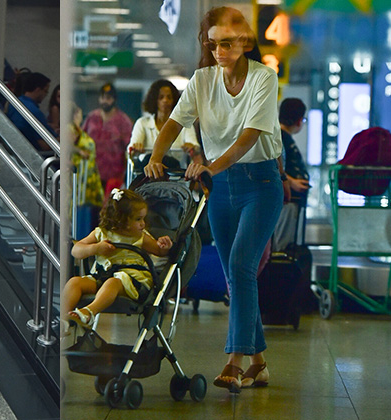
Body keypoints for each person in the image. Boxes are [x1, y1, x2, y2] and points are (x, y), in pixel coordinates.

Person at [144, 6, 290, 393]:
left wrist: (211, 165)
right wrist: (156, 156)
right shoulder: (201, 80)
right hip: (222, 188)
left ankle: (235, 360)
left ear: (244, 42)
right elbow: (175, 121)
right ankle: (258, 362)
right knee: (234, 275)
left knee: (241, 265)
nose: (218, 52)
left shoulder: (264, 79)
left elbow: (250, 136)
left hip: (259, 183)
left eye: (226, 43)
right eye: (212, 45)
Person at [61, 188, 172, 330]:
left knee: (113, 282)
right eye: (138, 219)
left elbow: (158, 251)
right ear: (121, 220)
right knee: (75, 282)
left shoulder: (140, 237)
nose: (143, 224)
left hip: (133, 280)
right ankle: (64, 319)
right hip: (102, 276)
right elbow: (76, 250)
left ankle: (89, 312)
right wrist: (95, 248)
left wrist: (164, 247)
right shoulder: (101, 233)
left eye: (143, 218)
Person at [129, 79, 203, 173]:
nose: (165, 100)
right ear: (154, 100)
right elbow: (132, 148)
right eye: (161, 97)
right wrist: (136, 147)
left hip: (175, 174)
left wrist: (191, 146)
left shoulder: (184, 124)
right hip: (147, 174)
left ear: (174, 100)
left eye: (169, 97)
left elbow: (195, 146)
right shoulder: (142, 123)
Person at [273, 98, 310, 251]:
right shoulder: (279, 137)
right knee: (281, 245)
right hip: (287, 199)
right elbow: (273, 164)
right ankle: (280, 273)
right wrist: (291, 181)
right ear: (299, 121)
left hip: (290, 200)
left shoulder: (280, 137)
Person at [82, 82, 133, 194]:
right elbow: (81, 138)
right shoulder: (92, 117)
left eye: (108, 98)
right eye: (102, 97)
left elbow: (130, 145)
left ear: (114, 100)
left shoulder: (123, 121)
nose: (105, 101)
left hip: (114, 175)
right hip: (92, 171)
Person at [70, 102, 104, 238]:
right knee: (78, 212)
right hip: (79, 177)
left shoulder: (78, 129)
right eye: (78, 114)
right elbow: (66, 145)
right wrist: (80, 151)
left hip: (89, 176)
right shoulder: (71, 129)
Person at [6, 72, 58, 151]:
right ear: (38, 90)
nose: (46, 95)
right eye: (45, 91)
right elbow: (46, 146)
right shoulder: (34, 112)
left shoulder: (14, 104)